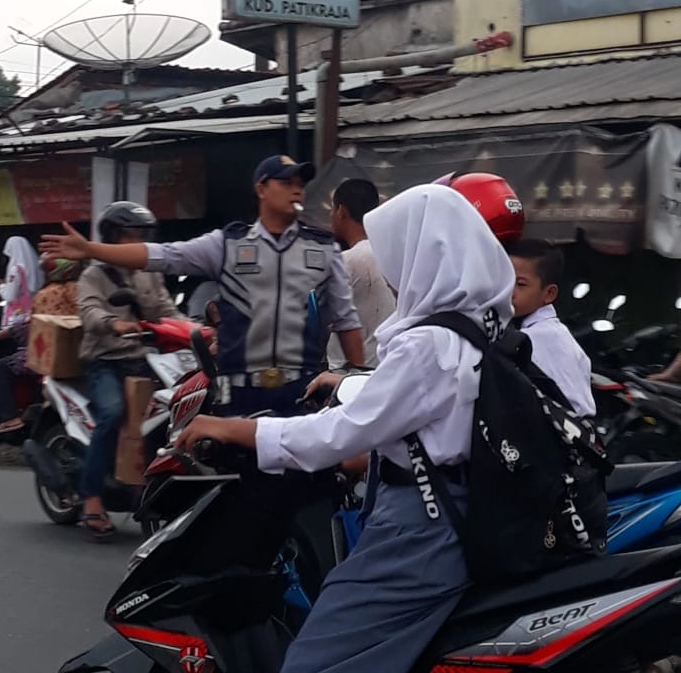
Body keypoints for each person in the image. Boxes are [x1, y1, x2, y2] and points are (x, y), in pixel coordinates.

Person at [175, 184, 516, 673]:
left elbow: (339, 435)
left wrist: (236, 432)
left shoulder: (427, 342)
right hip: (461, 508)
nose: (390, 268)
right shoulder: (484, 322)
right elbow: (411, 400)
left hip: (421, 525)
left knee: (314, 662)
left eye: (395, 253)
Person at [41, 155, 364, 417]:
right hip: (239, 392)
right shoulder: (226, 244)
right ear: (261, 189)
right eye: (286, 182)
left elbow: (346, 322)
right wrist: (92, 250)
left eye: (300, 184)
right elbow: (163, 256)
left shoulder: (323, 249)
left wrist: (358, 386)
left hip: (303, 391)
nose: (297, 190)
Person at [77, 201, 179, 542]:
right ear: (110, 236)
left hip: (145, 358)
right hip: (105, 360)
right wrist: (114, 324)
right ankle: (91, 497)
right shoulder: (92, 276)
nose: (136, 240)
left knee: (171, 412)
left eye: (140, 234)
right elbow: (89, 312)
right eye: (129, 234)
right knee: (111, 414)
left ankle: (147, 486)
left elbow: (165, 308)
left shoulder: (148, 271)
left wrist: (195, 329)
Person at [505, 237, 595, 418]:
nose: (508, 291)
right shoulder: (529, 329)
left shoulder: (541, 337)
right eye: (504, 280)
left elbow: (571, 408)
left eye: (520, 284)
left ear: (549, 293)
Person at [327, 178, 395, 370]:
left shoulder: (345, 261)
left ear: (341, 211)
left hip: (349, 372)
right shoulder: (391, 253)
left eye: (332, 209)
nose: (330, 215)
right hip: (389, 362)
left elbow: (324, 317)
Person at [0, 236, 44, 435]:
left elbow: (9, 296)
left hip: (17, 326)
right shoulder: (34, 270)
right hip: (30, 325)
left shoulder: (15, 268)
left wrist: (1, 285)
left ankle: (9, 416)